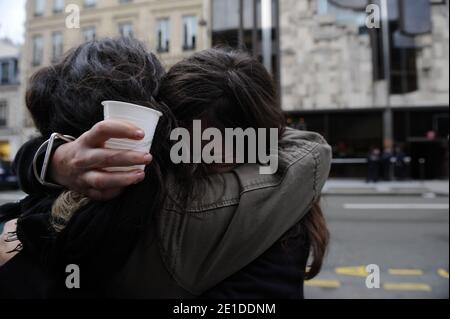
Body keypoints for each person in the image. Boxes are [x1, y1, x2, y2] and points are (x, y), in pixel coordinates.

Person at [0, 40, 331, 298]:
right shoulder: (151, 193)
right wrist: (50, 159)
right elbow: (309, 149)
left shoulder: (266, 216)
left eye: (223, 149)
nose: (200, 163)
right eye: (184, 147)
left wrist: (49, 160)